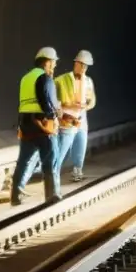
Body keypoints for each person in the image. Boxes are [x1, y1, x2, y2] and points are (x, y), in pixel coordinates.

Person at [11, 46, 63, 206]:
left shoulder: (26, 78)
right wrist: (53, 117)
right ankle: (52, 195)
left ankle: (16, 195)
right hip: (42, 125)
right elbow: (45, 100)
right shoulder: (44, 78)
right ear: (48, 62)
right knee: (51, 159)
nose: (54, 65)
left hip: (26, 125)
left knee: (24, 161)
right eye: (54, 62)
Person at [55, 50, 96, 182]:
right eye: (82, 64)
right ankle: (52, 173)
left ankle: (77, 170)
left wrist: (86, 105)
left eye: (86, 66)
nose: (84, 68)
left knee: (81, 144)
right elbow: (53, 100)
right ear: (76, 63)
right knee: (62, 148)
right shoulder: (61, 80)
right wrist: (67, 106)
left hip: (81, 118)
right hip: (67, 119)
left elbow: (92, 100)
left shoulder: (88, 81)